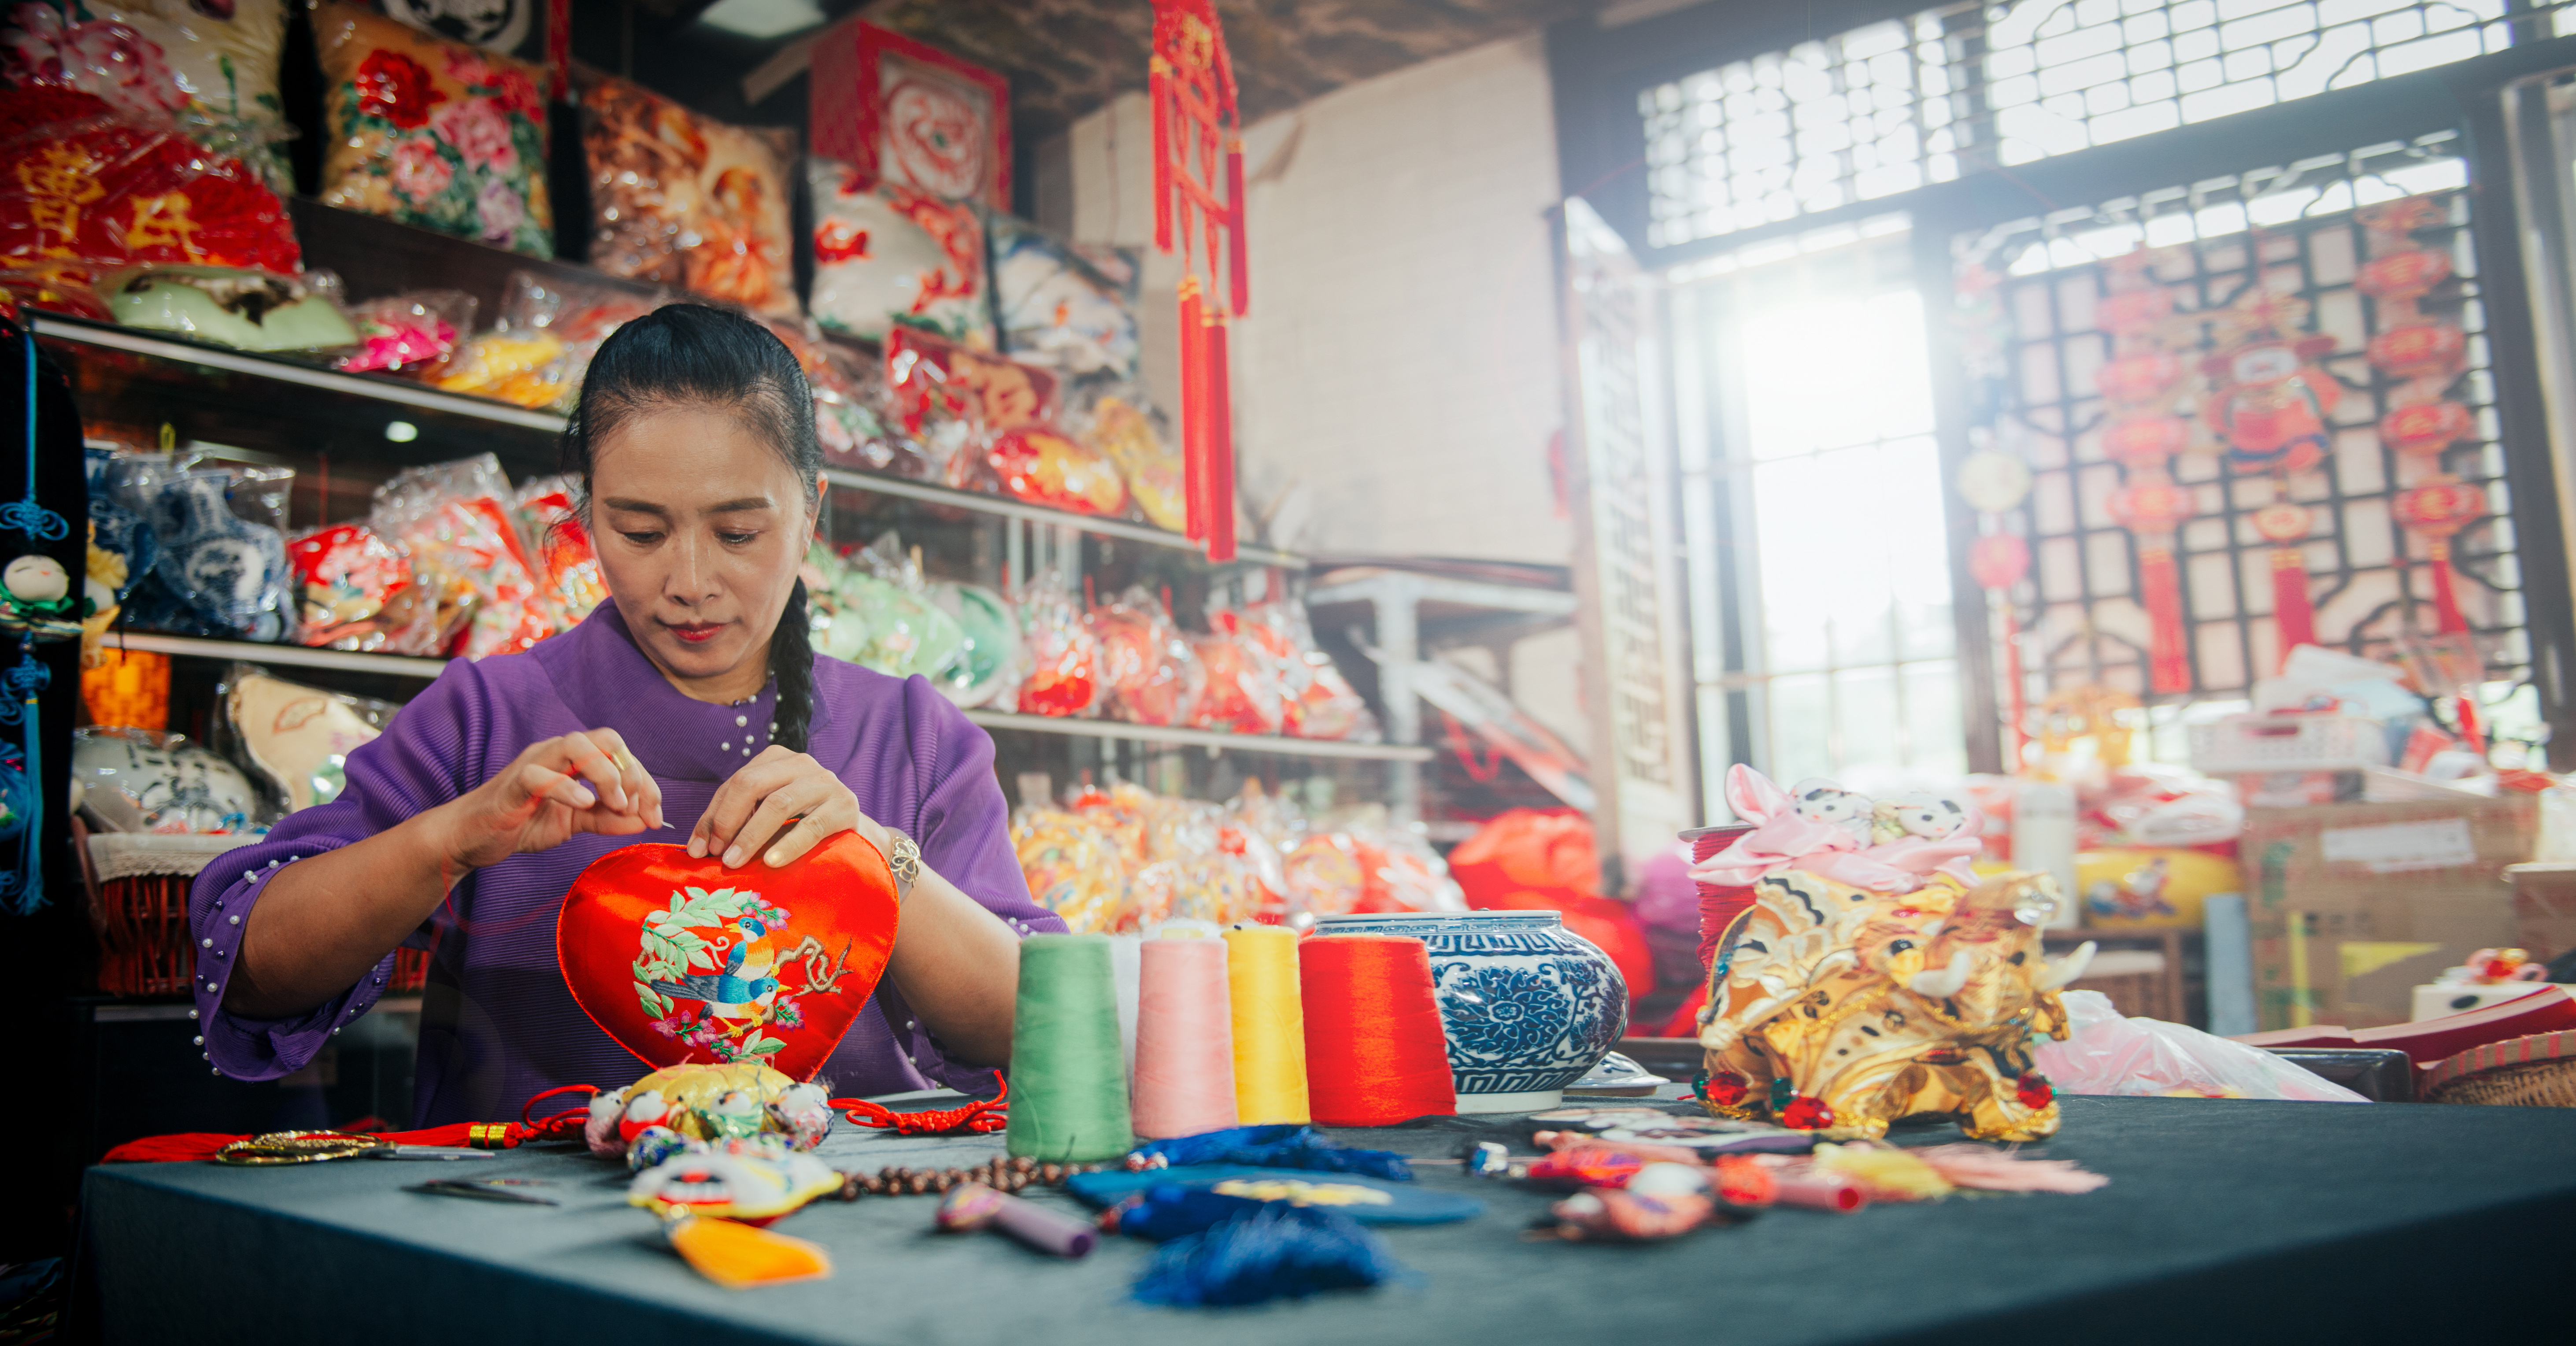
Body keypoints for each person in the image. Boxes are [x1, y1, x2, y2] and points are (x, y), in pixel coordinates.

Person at [188, 304, 1061, 1125]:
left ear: (809, 518)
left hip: (840, 1243)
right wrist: (451, 839)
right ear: (588, 514)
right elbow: (255, 970)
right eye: (640, 531)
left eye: (737, 533)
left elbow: (1030, 1032)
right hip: (525, 1241)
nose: (688, 581)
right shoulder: (486, 716)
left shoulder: (912, 738)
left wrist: (881, 855)